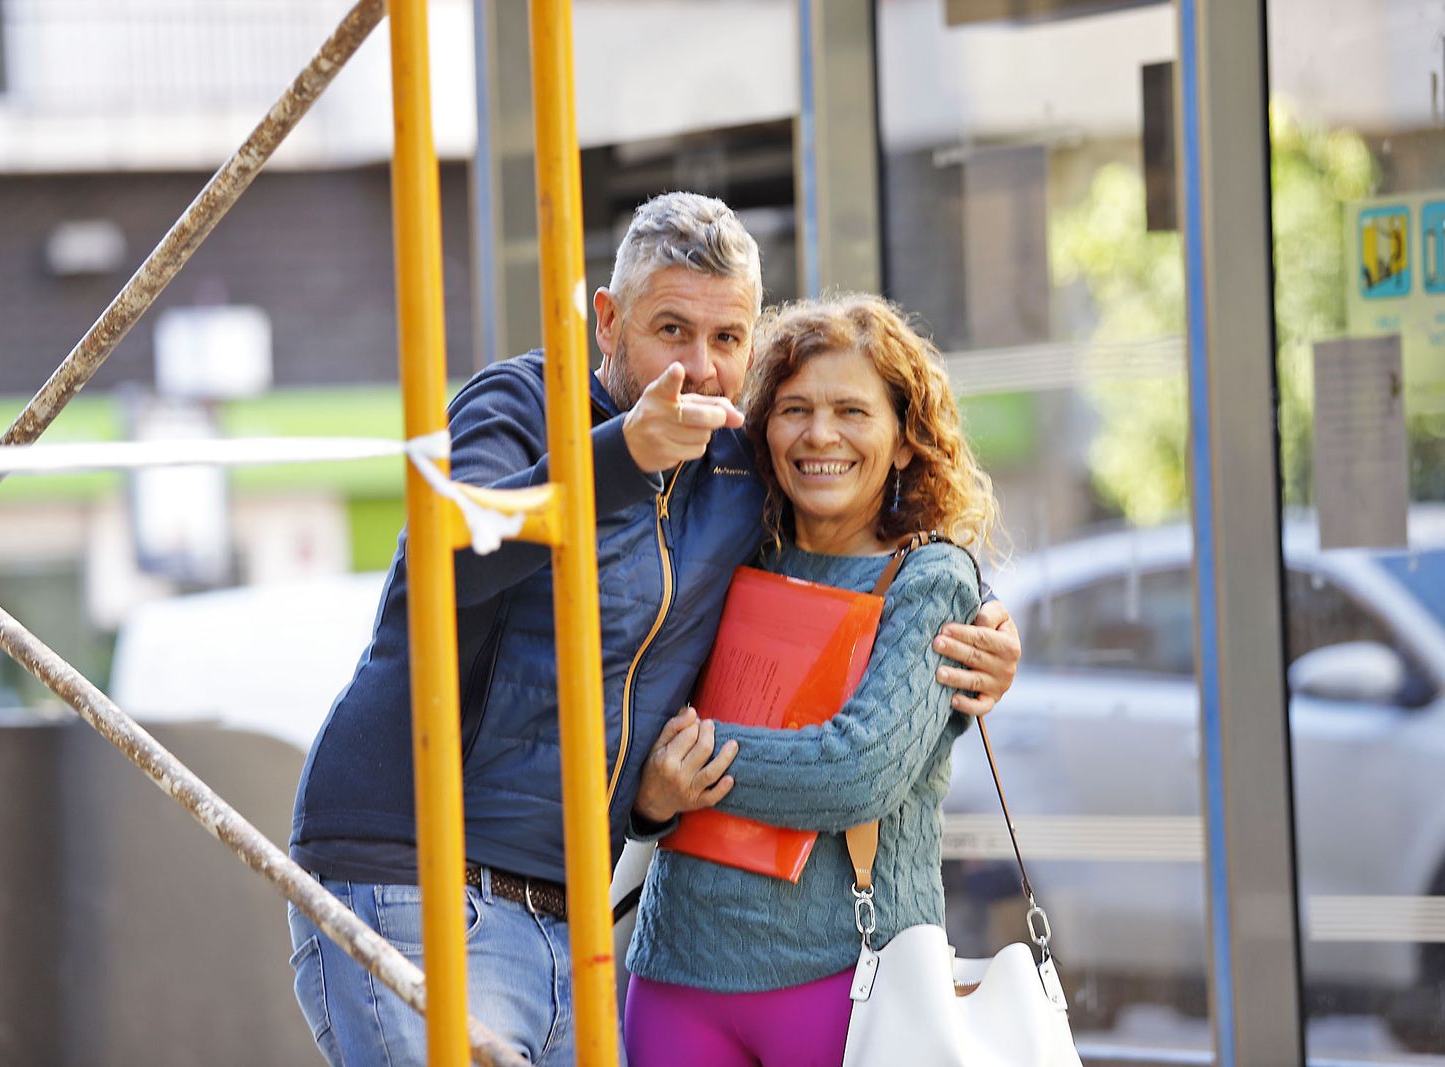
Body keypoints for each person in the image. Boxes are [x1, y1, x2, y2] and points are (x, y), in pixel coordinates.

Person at [287, 193, 1020, 1067]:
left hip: (573, 909)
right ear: (607, 321)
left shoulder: (736, 468)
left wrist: (979, 635)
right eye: (672, 330)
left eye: (727, 338)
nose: (700, 369)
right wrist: (620, 456)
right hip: (421, 872)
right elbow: (443, 561)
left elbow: (850, 541)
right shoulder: (524, 401)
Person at [623, 293, 998, 1067]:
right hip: (676, 969)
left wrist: (682, 763)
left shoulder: (931, 581)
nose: (820, 434)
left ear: (905, 440)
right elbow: (626, 716)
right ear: (765, 429)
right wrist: (650, 794)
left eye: (852, 411)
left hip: (851, 975)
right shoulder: (726, 554)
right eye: (794, 409)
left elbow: (855, 771)